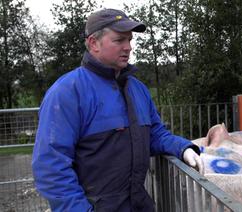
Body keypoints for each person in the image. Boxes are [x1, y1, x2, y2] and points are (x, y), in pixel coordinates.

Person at [32, 8, 203, 212]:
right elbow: (51, 166)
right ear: (94, 43)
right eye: (119, 40)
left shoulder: (137, 89)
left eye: (129, 40)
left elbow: (155, 134)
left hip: (138, 204)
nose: (128, 47)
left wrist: (183, 148)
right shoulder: (67, 92)